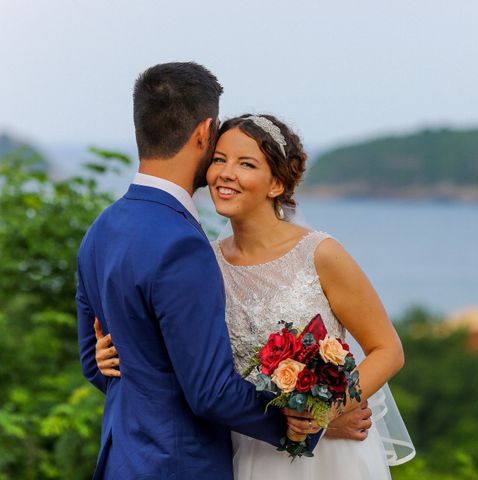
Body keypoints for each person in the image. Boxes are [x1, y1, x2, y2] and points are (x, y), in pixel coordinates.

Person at [96, 113, 407, 479]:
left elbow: (387, 350)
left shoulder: (320, 254)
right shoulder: (203, 263)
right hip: (250, 450)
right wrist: (115, 357)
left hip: (331, 459)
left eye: (246, 164)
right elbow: (189, 367)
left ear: (276, 182)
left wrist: (322, 416)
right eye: (219, 160)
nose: (226, 173)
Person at [76, 63, 321, 480]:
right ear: (205, 132)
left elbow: (93, 362)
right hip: (177, 465)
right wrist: (305, 424)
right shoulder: (182, 244)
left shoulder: (102, 229)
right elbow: (210, 393)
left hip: (122, 460)